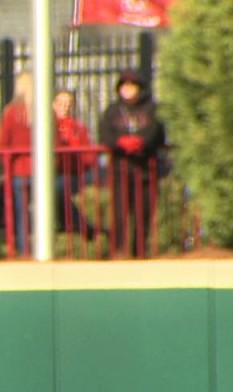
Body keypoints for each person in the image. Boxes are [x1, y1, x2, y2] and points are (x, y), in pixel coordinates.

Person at [99, 68, 166, 257]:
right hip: (121, 169)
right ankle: (119, 249)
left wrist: (140, 142)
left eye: (131, 85)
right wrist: (121, 143)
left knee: (143, 211)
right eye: (124, 85)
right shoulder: (112, 111)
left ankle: (140, 250)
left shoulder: (151, 108)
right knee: (120, 212)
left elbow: (155, 132)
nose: (127, 89)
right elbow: (105, 134)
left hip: (145, 169)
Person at [53, 89, 99, 239]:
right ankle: (81, 226)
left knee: (58, 189)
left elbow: (89, 154)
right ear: (53, 104)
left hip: (72, 173)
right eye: (60, 103)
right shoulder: (47, 126)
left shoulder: (77, 127)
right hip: (55, 172)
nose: (64, 107)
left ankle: (79, 226)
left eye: (68, 104)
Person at [0, 71, 33, 255]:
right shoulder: (44, 111)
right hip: (40, 170)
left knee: (21, 215)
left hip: (19, 170)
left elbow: (3, 143)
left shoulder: (11, 112)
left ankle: (23, 250)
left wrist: (5, 170)